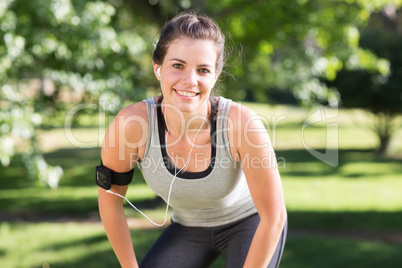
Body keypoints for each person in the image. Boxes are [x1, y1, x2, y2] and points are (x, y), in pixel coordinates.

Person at [97, 11, 287, 268]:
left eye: (203, 70)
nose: (190, 80)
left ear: (215, 76)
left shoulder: (241, 124)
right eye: (178, 65)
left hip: (250, 222)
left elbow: (273, 217)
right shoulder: (131, 126)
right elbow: (110, 204)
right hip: (188, 227)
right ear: (158, 68)